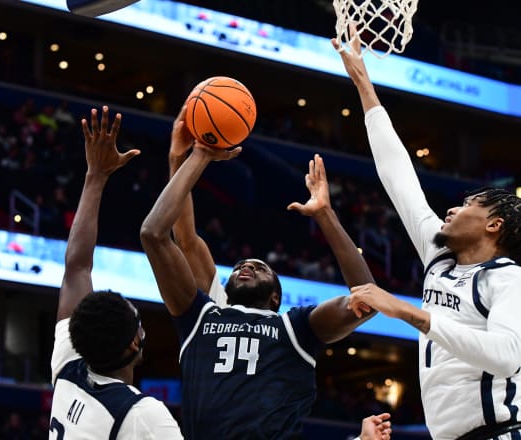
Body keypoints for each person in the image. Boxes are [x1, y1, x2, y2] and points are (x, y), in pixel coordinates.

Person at [140, 104, 378, 439]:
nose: (247, 265)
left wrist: (325, 215)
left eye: (259, 267)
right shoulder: (201, 315)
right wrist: (189, 157)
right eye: (239, 266)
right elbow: (160, 235)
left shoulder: (293, 327)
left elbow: (366, 300)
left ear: (275, 296)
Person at [335, 25, 521, 440]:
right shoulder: (439, 255)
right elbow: (398, 176)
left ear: (494, 225)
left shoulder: (508, 278)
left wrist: (406, 312)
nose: (453, 208)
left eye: (470, 205)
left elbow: (508, 357)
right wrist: (364, 85)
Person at [50, 106, 182, 439]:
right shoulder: (143, 415)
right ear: (132, 346)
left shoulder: (69, 369)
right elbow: (76, 267)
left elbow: (77, 266)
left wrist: (95, 175)